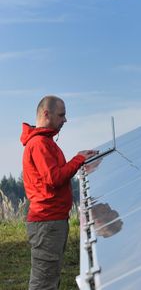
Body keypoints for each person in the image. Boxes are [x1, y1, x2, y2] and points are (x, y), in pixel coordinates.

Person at [20, 95, 98, 290]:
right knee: (43, 282)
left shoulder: (44, 142)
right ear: (46, 114)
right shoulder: (40, 144)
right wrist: (78, 160)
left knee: (49, 277)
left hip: (51, 221)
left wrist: (78, 159)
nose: (65, 120)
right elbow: (53, 178)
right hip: (47, 222)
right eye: (61, 115)